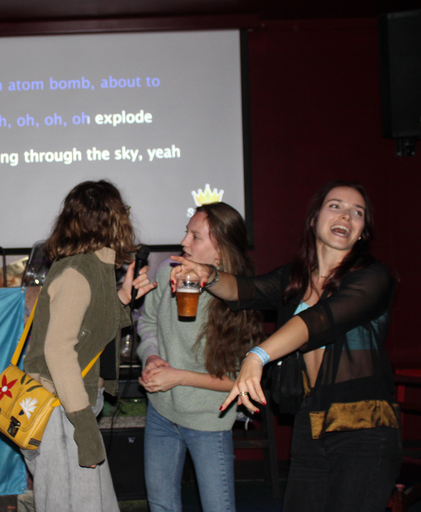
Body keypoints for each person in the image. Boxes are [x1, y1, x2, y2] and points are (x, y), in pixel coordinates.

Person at [171, 180, 401, 512]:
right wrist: (206, 273)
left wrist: (257, 355)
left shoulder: (373, 278)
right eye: (335, 206)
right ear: (314, 219)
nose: (346, 216)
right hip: (312, 421)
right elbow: (246, 290)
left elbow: (320, 321)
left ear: (363, 231)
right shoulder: (294, 278)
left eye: (357, 212)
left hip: (365, 428)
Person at [21, 180, 156, 512]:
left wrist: (124, 297)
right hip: (61, 412)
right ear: (113, 221)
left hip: (69, 408)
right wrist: (84, 426)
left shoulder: (95, 266)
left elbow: (92, 329)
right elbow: (59, 351)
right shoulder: (77, 271)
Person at [137, 203, 263, 512]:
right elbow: (148, 322)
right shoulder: (168, 270)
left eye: (195, 236)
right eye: (186, 232)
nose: (183, 243)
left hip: (209, 420)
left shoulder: (240, 297)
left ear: (220, 252)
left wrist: (178, 376)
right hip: (161, 413)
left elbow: (237, 381)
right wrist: (151, 358)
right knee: (161, 505)